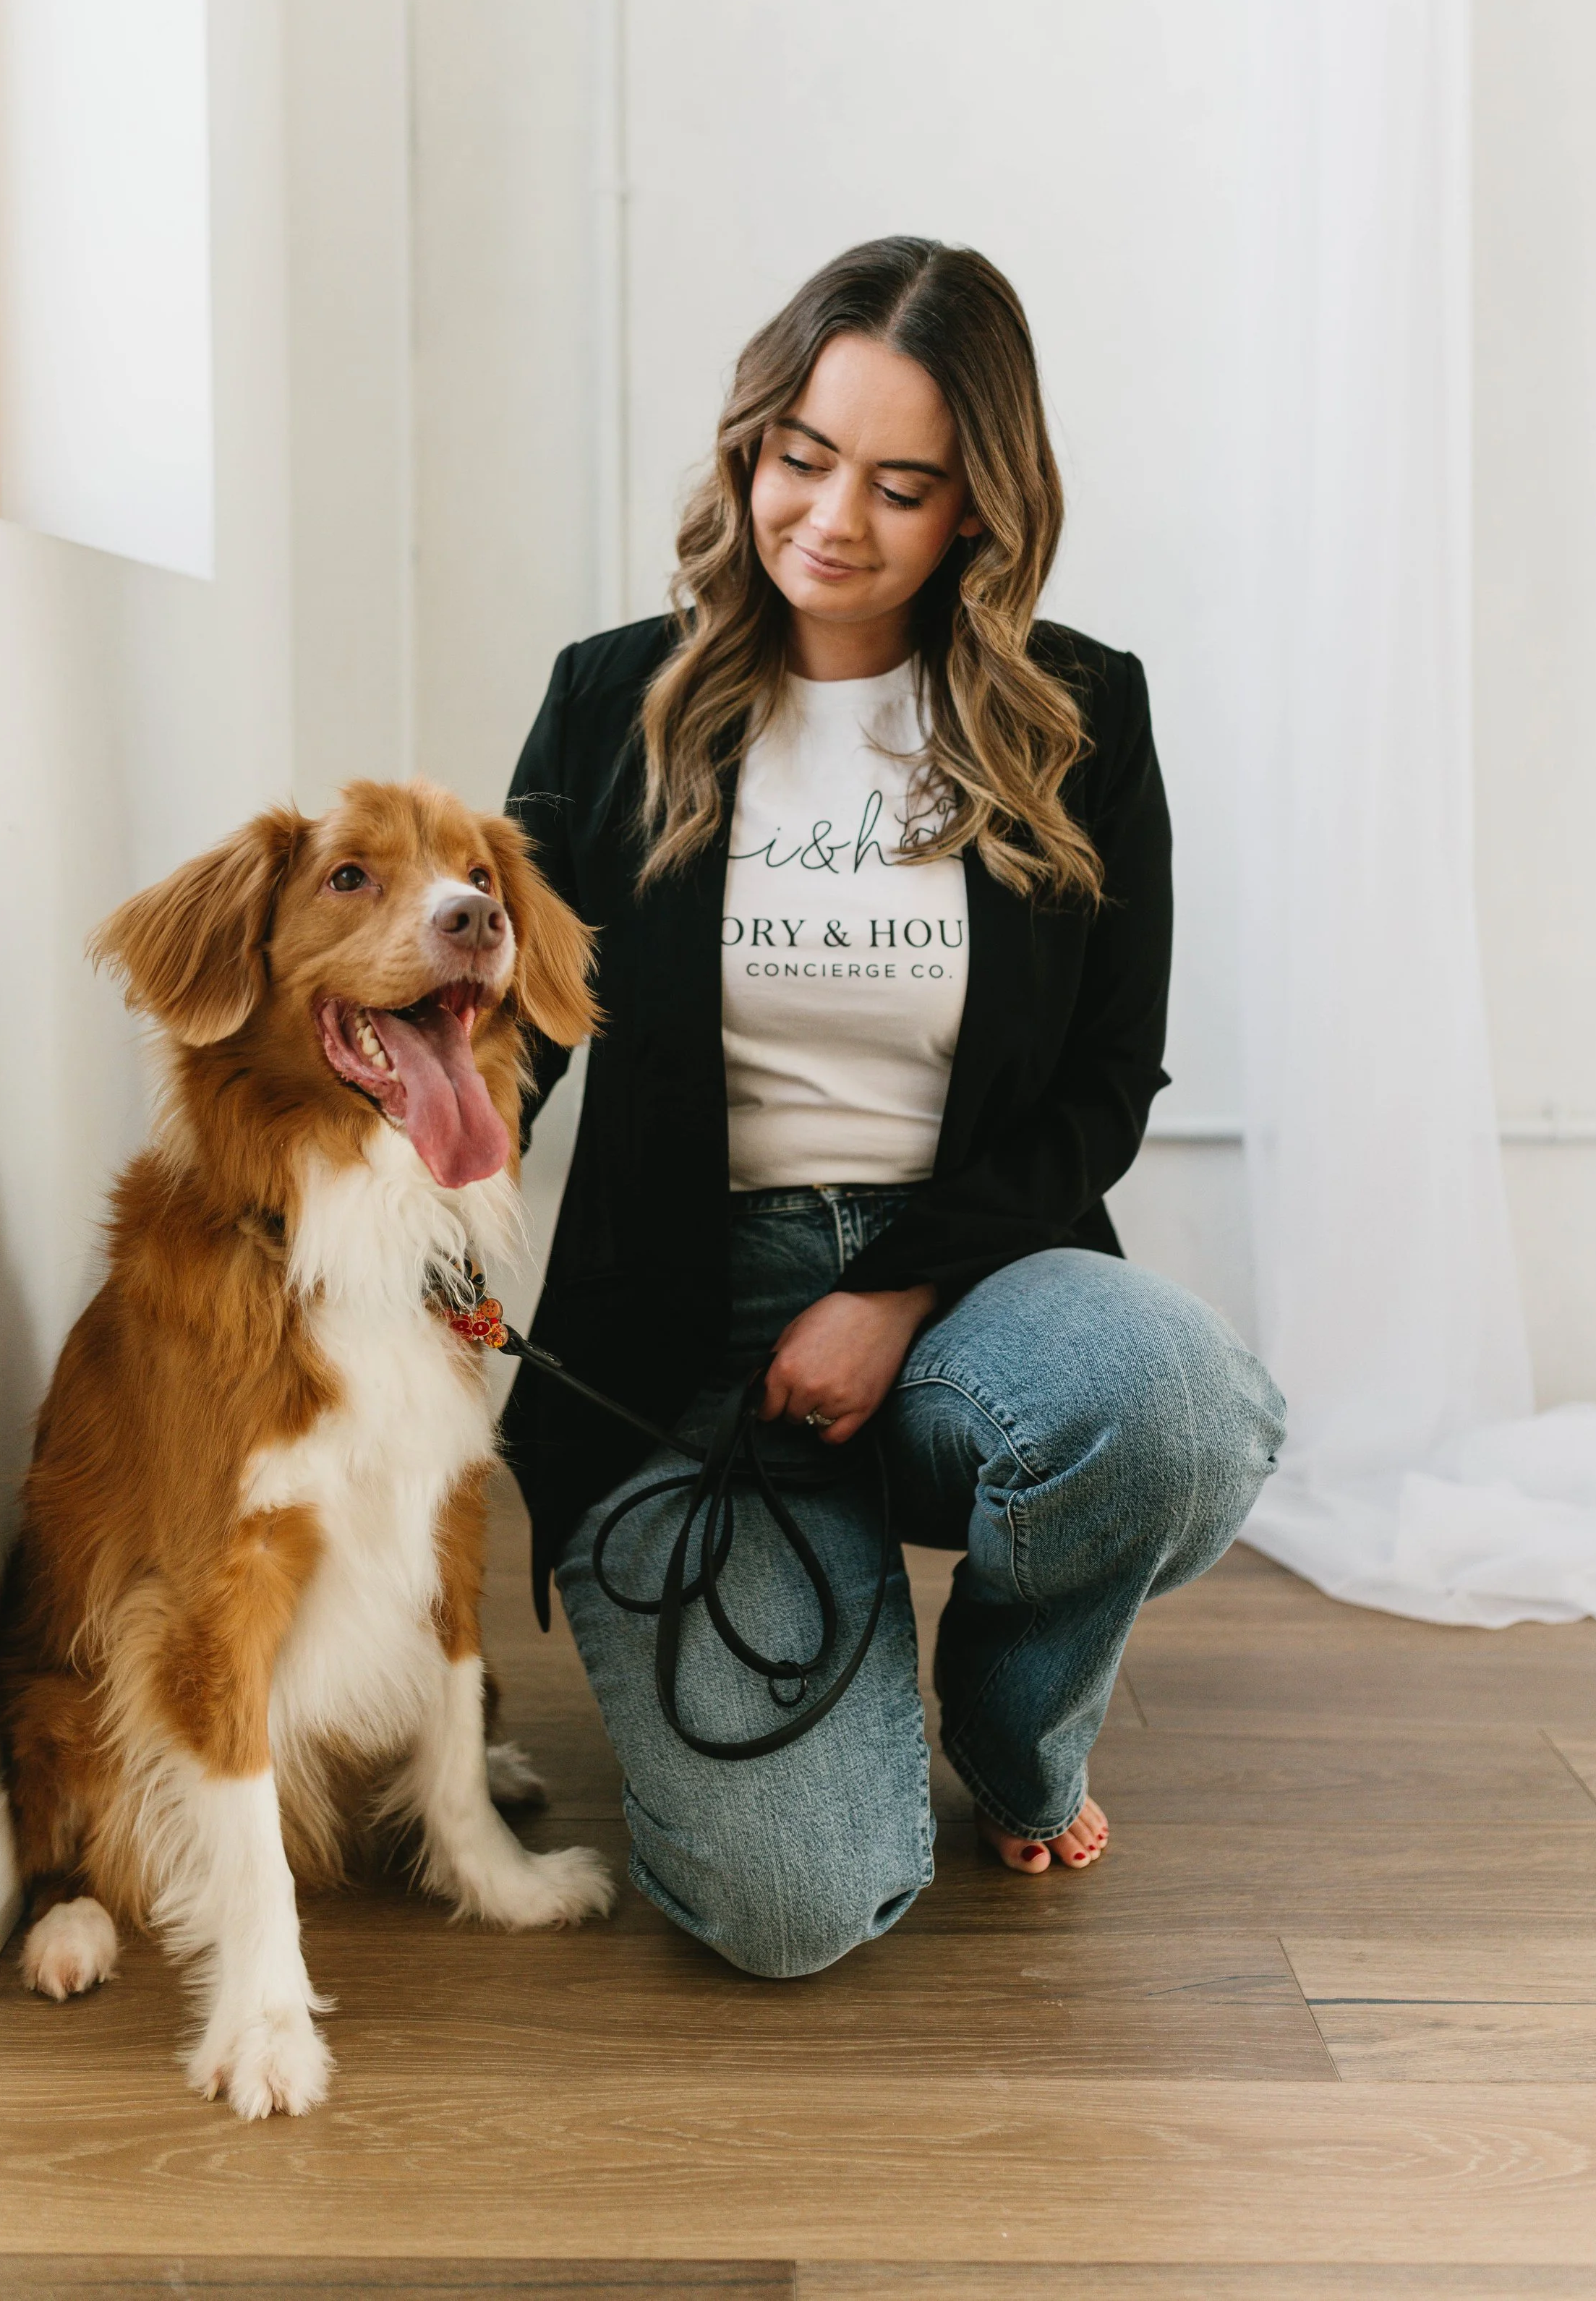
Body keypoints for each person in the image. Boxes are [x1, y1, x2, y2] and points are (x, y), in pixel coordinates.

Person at [503, 236, 1283, 1978]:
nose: (831, 519)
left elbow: (1104, 1082)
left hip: (969, 1299)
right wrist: (388, 1195)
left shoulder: (1079, 713)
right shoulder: (609, 700)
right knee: (790, 1913)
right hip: (679, 1330)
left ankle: (1011, 1721)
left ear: (977, 508)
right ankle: (809, 1598)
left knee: (1173, 1405)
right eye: (802, 456)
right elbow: (519, 1024)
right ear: (750, 446)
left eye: (900, 485)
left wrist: (891, 1291)